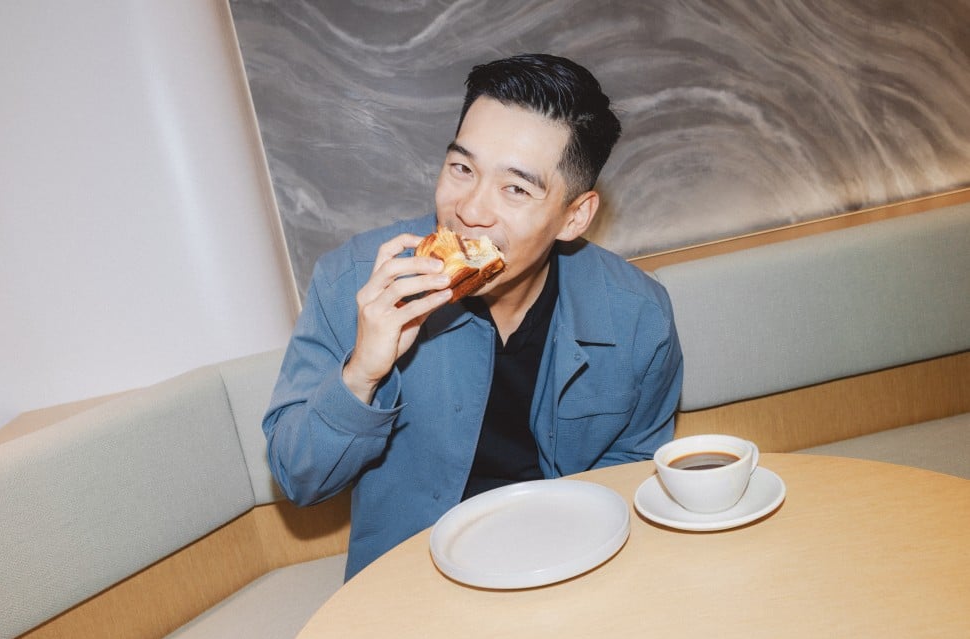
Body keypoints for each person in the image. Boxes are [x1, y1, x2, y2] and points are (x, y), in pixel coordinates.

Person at [264, 54, 683, 580]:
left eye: (516, 189)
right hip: (411, 583)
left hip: (570, 566)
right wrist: (363, 372)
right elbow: (298, 481)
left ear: (574, 216)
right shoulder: (354, 281)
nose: (470, 210)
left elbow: (630, 476)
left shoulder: (637, 316)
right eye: (462, 168)